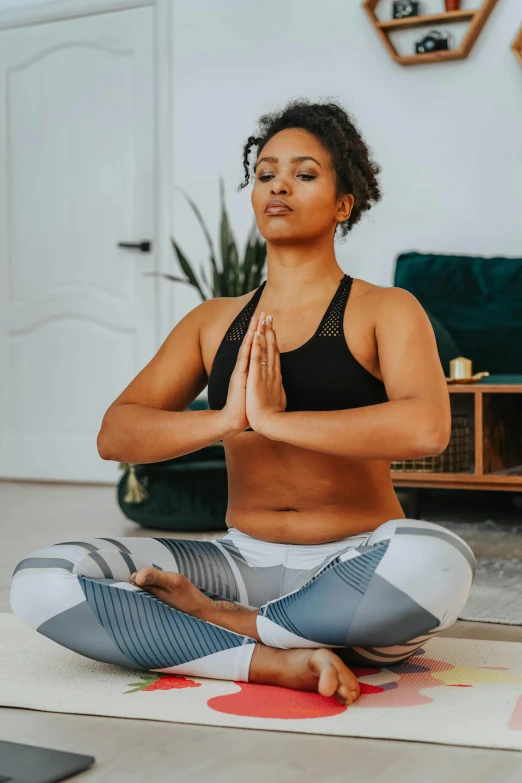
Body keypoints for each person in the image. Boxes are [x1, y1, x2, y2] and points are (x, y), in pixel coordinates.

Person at [10, 98, 475, 707]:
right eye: (265, 173)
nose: (279, 184)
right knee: (41, 581)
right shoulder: (213, 321)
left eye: (305, 173)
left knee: (441, 561)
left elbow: (425, 430)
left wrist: (277, 422)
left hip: (353, 569)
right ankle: (272, 661)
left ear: (344, 203)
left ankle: (230, 631)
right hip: (237, 563)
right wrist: (228, 419)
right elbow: (116, 434)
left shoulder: (385, 310)